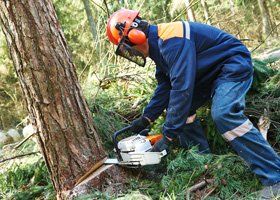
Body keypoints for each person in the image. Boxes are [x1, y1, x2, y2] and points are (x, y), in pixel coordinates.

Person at [106, 9, 280, 198]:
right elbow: (165, 87)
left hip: (231, 64)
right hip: (208, 74)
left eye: (126, 47)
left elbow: (181, 88)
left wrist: (168, 136)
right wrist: (146, 118)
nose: (130, 52)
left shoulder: (172, 40)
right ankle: (205, 164)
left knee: (223, 114)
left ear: (135, 35)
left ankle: (274, 177)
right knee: (185, 111)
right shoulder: (160, 49)